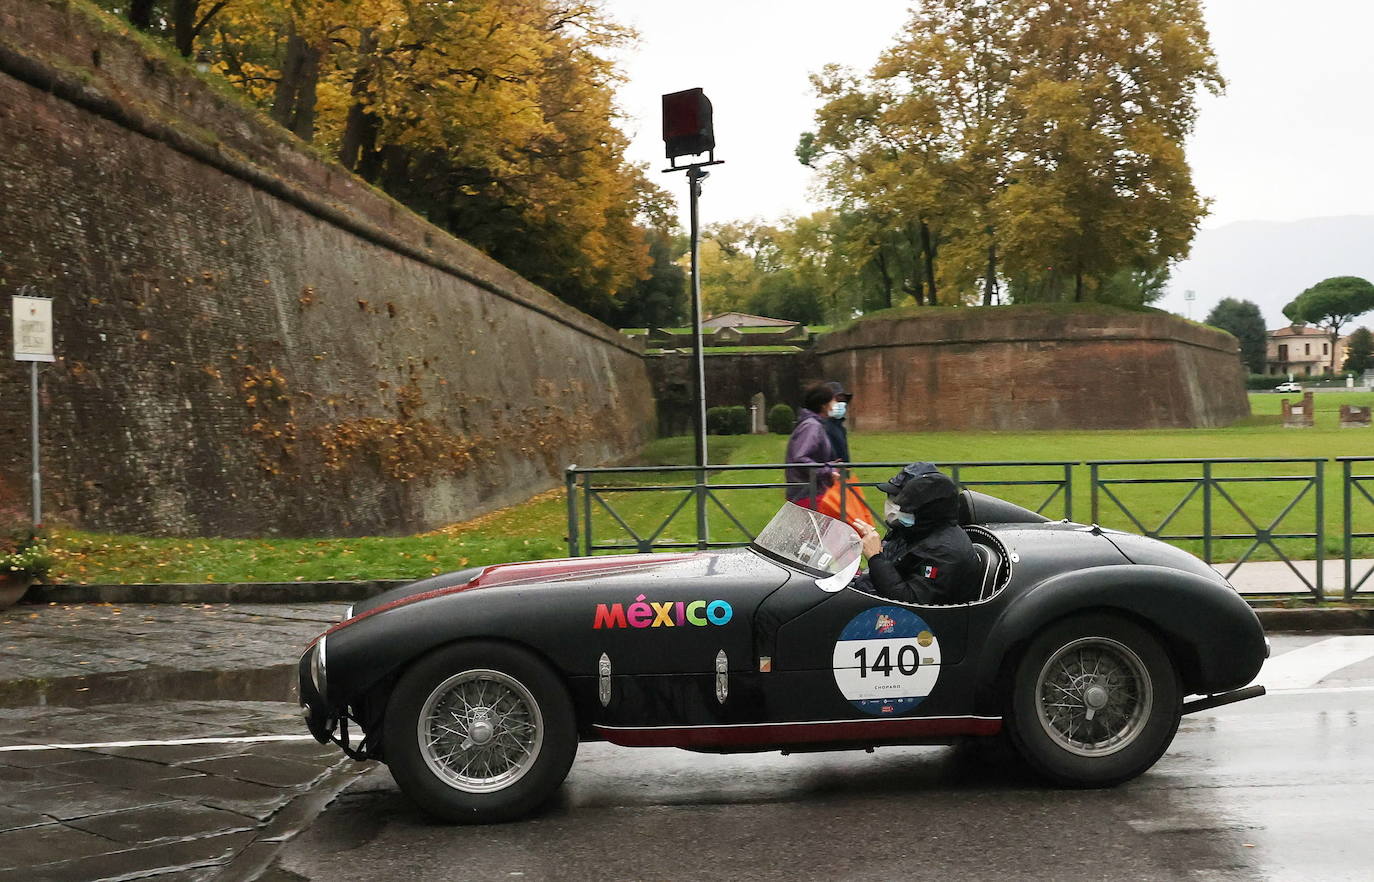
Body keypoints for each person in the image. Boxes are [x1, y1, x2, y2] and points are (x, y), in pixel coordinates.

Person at [851, 462, 980, 605]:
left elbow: (911, 602)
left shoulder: (944, 552)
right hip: (875, 604)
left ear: (925, 509)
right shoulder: (913, 531)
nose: (899, 507)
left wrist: (876, 558)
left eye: (906, 504)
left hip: (921, 623)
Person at [784, 383, 837, 509]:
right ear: (824, 405)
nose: (836, 404)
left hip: (810, 492)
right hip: (808, 495)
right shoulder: (812, 426)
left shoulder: (813, 424)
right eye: (833, 401)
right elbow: (800, 458)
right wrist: (827, 471)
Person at [822, 381, 852, 462]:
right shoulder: (819, 426)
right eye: (837, 400)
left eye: (842, 401)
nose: (841, 404)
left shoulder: (840, 427)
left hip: (840, 471)